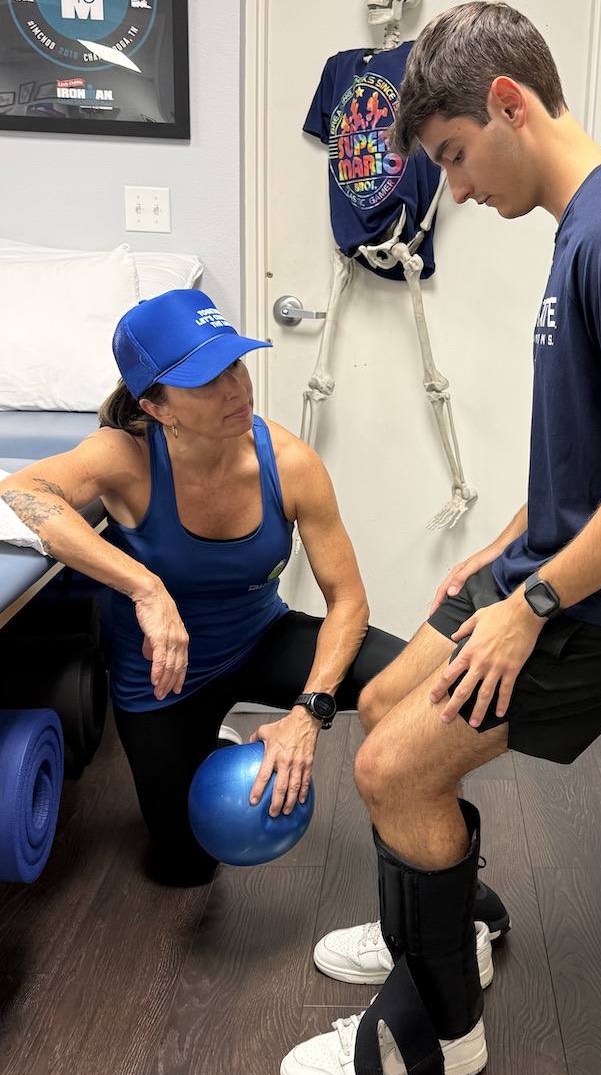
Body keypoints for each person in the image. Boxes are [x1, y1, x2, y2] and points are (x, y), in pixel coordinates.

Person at [279, 1, 601, 1075]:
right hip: (549, 558)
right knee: (382, 702)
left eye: (455, 157)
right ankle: (448, 922)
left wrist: (527, 600)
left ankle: (441, 1037)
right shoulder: (587, 225)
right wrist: (500, 545)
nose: (457, 190)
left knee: (392, 770)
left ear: (510, 105)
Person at [0, 287, 403, 887]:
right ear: (157, 406)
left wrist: (308, 711)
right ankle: (205, 745)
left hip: (261, 638)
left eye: (236, 366)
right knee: (185, 868)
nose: (237, 391)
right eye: (207, 381)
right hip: (163, 680)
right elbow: (21, 492)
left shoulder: (288, 462)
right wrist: (146, 588)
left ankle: (430, 873)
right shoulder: (125, 457)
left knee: (415, 679)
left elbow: (348, 602)